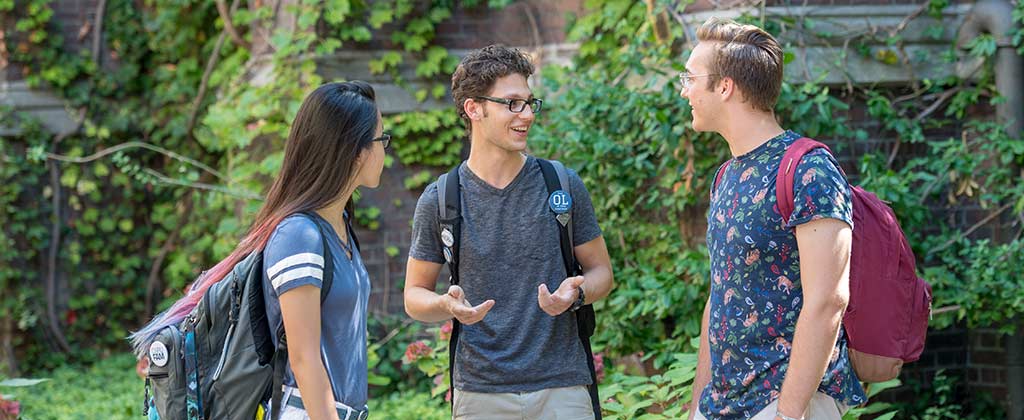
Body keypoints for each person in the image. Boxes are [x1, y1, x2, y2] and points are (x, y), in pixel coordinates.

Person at [132, 81, 389, 420]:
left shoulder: (338, 227)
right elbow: (304, 358)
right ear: (355, 151)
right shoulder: (301, 235)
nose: (386, 151)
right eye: (381, 139)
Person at [403, 45, 614, 420]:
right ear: (474, 109)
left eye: (531, 103)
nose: (528, 115)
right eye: (513, 103)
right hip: (480, 392)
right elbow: (414, 296)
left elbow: (602, 273)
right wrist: (445, 305)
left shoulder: (561, 185)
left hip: (562, 387)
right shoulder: (441, 199)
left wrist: (576, 292)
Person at [681, 18, 867, 420]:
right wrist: (698, 405)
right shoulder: (726, 176)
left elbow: (828, 300)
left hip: (783, 402)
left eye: (691, 78)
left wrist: (789, 412)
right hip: (720, 405)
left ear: (725, 86)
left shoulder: (808, 169)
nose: (685, 90)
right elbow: (721, 296)